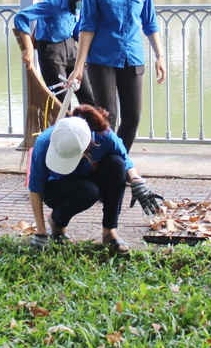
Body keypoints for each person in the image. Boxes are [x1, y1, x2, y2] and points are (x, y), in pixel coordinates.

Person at [69, 0, 166, 153]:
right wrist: (79, 66)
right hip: (102, 59)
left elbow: (149, 21)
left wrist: (159, 56)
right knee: (106, 119)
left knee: (132, 119)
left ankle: (118, 162)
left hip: (132, 57)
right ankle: (110, 167)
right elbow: (87, 26)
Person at [27, 105, 163, 254]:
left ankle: (109, 232)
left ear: (88, 145)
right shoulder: (44, 142)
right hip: (57, 187)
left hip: (88, 175)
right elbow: (35, 188)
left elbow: (125, 160)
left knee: (116, 164)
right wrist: (41, 232)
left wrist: (136, 180)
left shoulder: (103, 135)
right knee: (88, 192)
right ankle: (57, 224)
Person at [14, 0, 95, 106]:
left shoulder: (83, 1)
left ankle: (90, 126)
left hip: (70, 46)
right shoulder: (54, 2)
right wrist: (28, 47)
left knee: (89, 96)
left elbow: (77, 28)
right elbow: (21, 17)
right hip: (51, 52)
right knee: (61, 103)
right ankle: (62, 126)